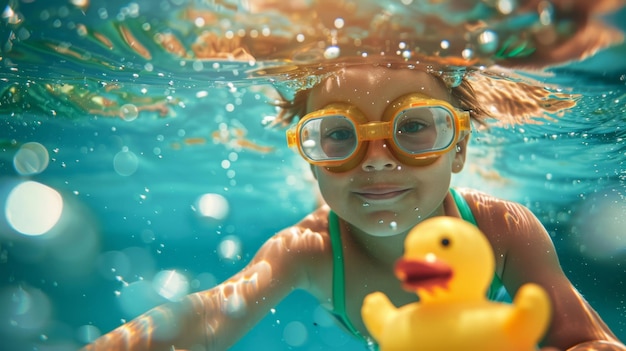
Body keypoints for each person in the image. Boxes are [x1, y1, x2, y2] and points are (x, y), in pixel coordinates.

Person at [82, 62, 625, 351]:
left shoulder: (503, 229)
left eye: (414, 128)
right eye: (339, 136)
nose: (377, 160)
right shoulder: (307, 251)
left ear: (458, 148)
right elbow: (204, 320)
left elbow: (586, 339)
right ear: (311, 158)